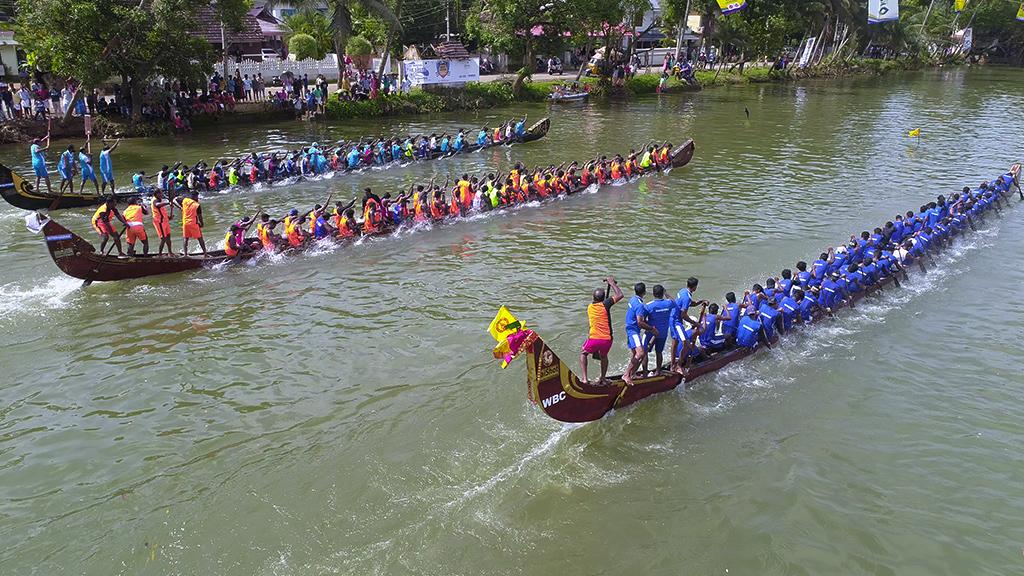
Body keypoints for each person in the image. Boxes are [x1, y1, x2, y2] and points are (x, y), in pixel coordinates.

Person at [579, 276, 623, 385]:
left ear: (593, 297)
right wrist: (612, 283)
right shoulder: (605, 305)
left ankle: (584, 379)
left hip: (594, 339)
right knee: (604, 357)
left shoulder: (589, 307)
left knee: (583, 353)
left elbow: (600, 303)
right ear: (604, 299)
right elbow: (620, 295)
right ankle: (603, 378)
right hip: (607, 340)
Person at [623, 282, 657, 386]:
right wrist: (651, 328)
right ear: (644, 292)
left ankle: (632, 374)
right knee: (641, 353)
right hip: (633, 331)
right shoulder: (640, 305)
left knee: (634, 353)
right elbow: (639, 322)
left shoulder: (632, 299)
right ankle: (626, 375)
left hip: (629, 328)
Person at [642, 284, 676, 374]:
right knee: (659, 352)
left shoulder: (648, 306)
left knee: (644, 351)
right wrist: (666, 293)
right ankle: (657, 371)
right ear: (662, 293)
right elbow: (674, 301)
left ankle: (645, 372)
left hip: (651, 332)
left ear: (653, 294)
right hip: (663, 333)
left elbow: (642, 320)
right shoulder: (669, 303)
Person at [174, 190, 207, 256]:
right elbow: (200, 217)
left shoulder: (185, 200)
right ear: (194, 196)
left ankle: (185, 255)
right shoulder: (197, 205)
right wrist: (202, 224)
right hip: (193, 223)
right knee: (200, 239)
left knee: (185, 238)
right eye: (197, 197)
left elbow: (174, 200)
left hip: (185, 223)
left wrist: (180, 207)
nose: (197, 198)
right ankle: (205, 254)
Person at [150, 189, 173, 255]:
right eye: (160, 194)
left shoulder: (160, 200)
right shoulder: (154, 200)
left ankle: (170, 252)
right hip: (159, 222)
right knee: (163, 239)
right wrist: (168, 203)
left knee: (168, 236)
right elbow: (158, 205)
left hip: (165, 221)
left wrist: (168, 217)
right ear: (156, 194)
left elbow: (162, 211)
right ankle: (159, 254)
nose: (162, 195)